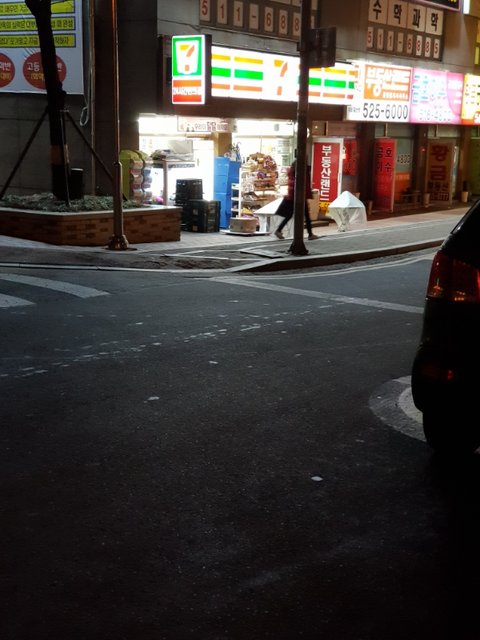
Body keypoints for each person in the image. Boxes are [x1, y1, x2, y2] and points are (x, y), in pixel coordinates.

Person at [274, 159, 319, 240]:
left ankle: (279, 230)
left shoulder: (292, 172)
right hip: (299, 197)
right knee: (306, 216)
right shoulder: (300, 173)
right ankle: (310, 234)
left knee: (290, 215)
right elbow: (303, 185)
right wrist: (307, 194)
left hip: (293, 196)